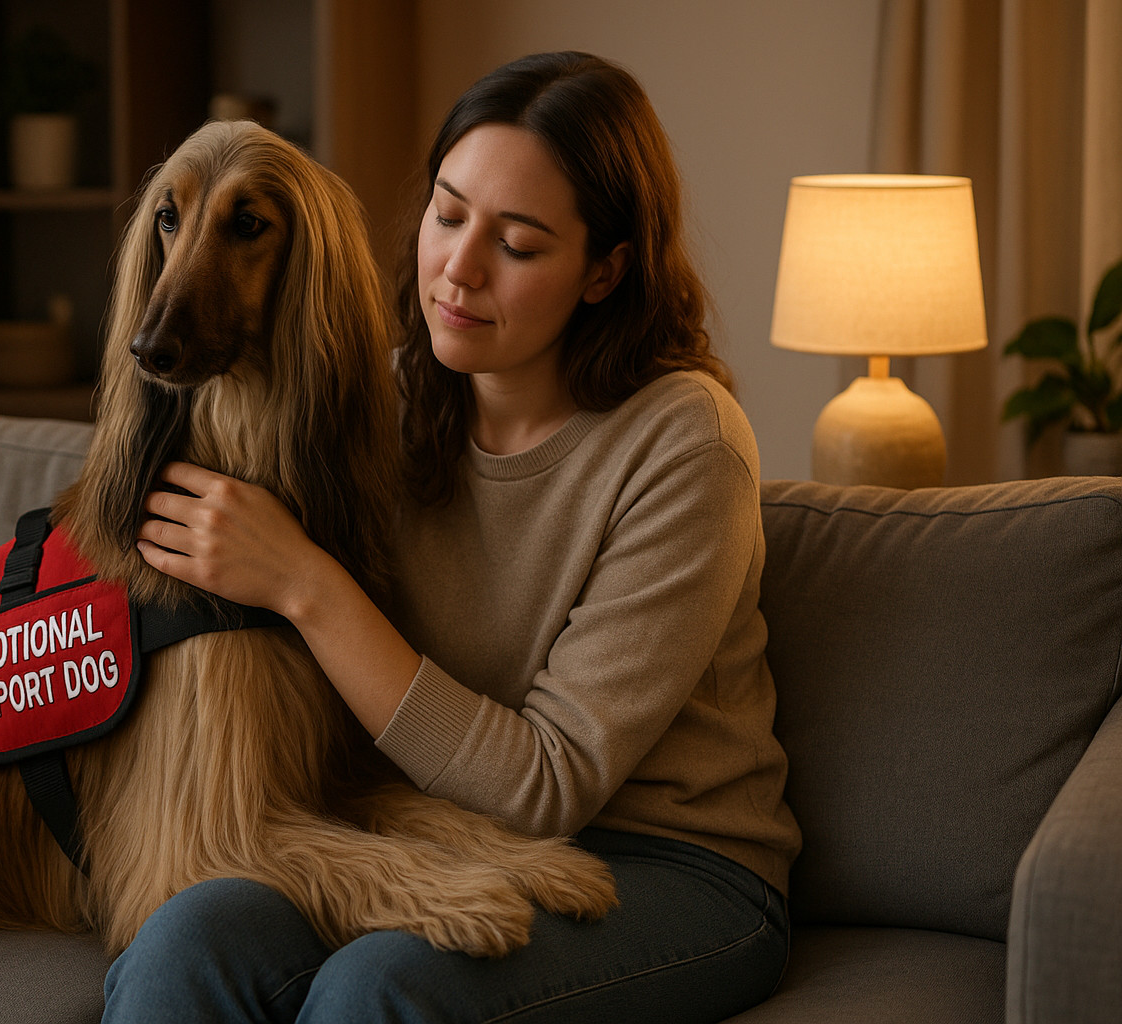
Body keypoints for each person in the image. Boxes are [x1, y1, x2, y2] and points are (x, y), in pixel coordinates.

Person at [104, 51, 802, 1024]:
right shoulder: (379, 402)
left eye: (516, 244)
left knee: (382, 986)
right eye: (447, 212)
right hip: (425, 834)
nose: (459, 271)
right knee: (185, 937)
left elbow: (549, 785)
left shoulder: (683, 444)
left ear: (604, 269)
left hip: (674, 864)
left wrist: (306, 583)